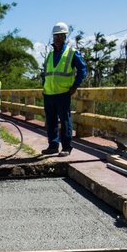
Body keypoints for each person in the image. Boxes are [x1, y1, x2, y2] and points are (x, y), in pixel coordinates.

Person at [41, 22, 87, 155]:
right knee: (51, 121)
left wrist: (75, 85)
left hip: (63, 93)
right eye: (55, 36)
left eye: (60, 36)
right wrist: (44, 86)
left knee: (65, 120)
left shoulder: (71, 53)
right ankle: (53, 145)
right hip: (49, 93)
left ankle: (66, 147)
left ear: (65, 37)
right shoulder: (49, 55)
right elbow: (47, 73)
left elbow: (82, 69)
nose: (57, 38)